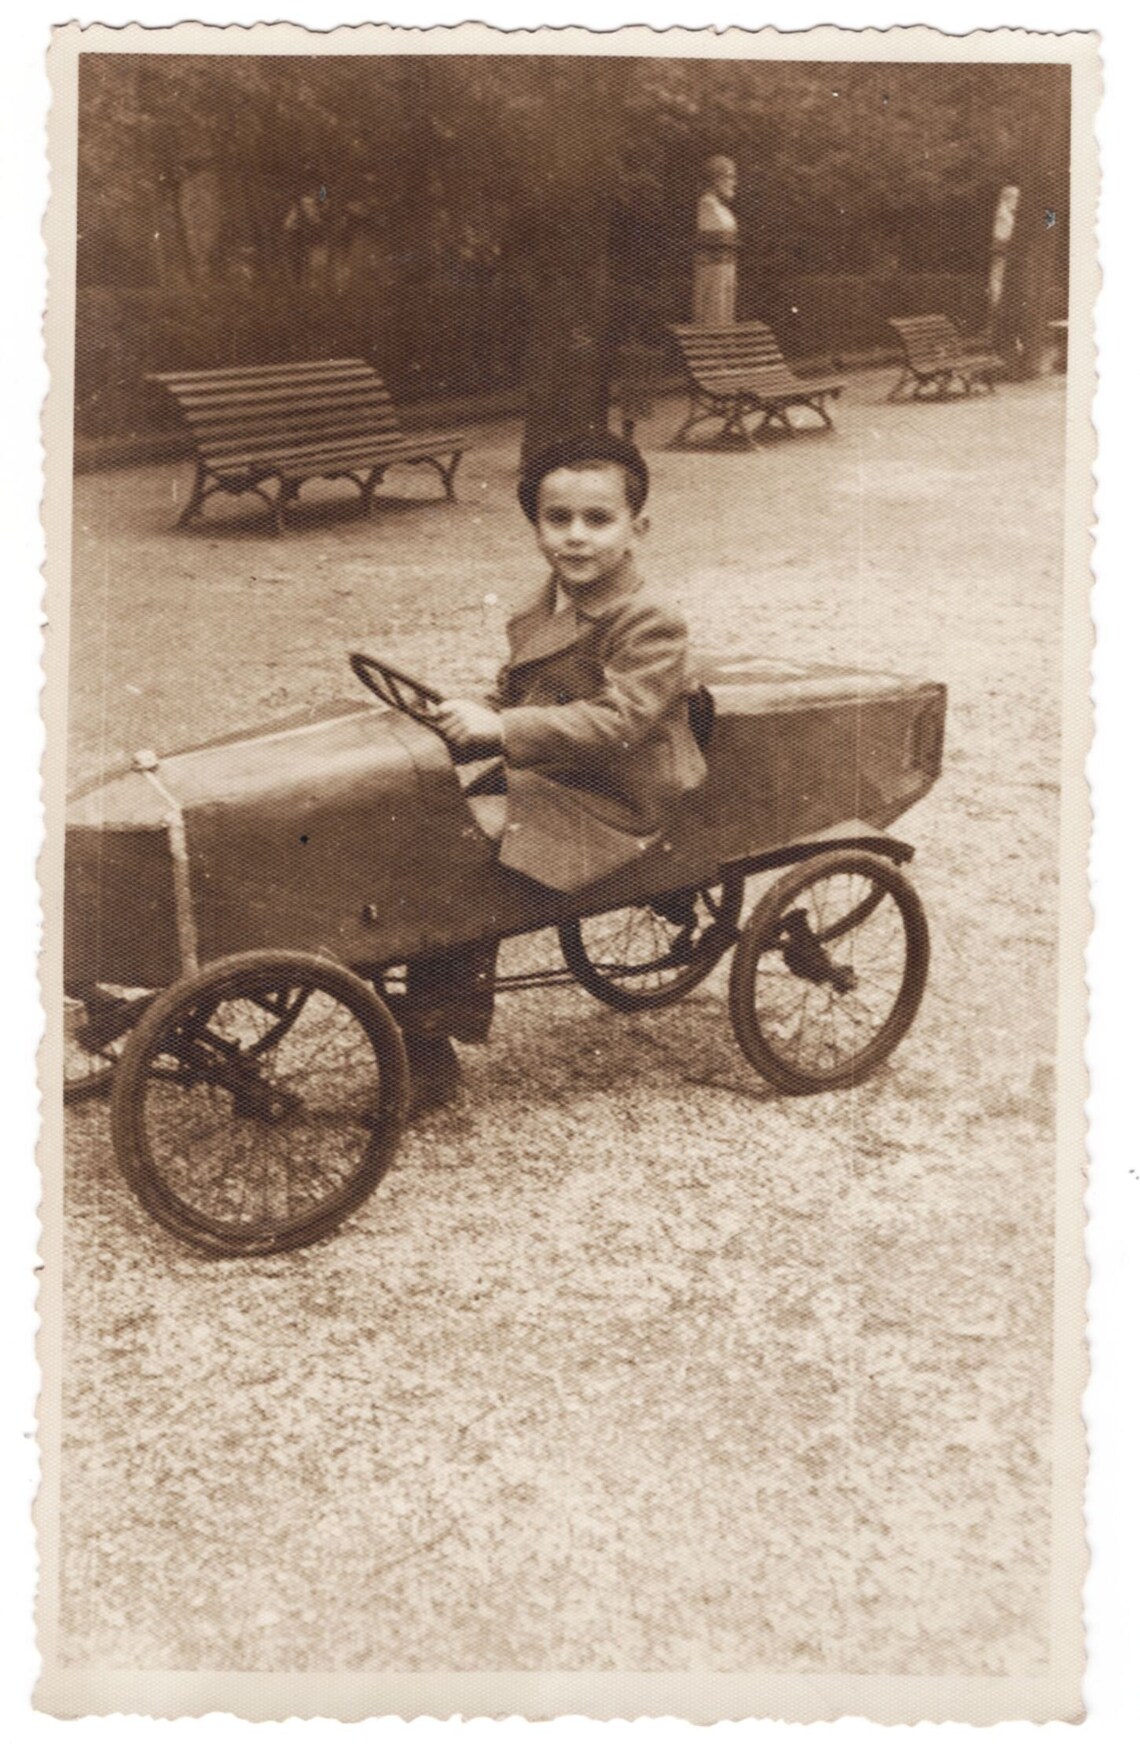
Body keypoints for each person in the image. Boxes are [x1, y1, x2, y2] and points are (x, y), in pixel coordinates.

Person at [399, 431, 707, 1114]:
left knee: (463, 853)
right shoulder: (543, 606)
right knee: (412, 801)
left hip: (616, 794)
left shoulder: (648, 619)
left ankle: (431, 1041)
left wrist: (502, 731)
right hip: (558, 771)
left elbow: (617, 723)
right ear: (536, 527)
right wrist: (474, 713)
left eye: (598, 520)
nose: (576, 537)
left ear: (638, 528)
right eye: (557, 519)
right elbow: (519, 696)